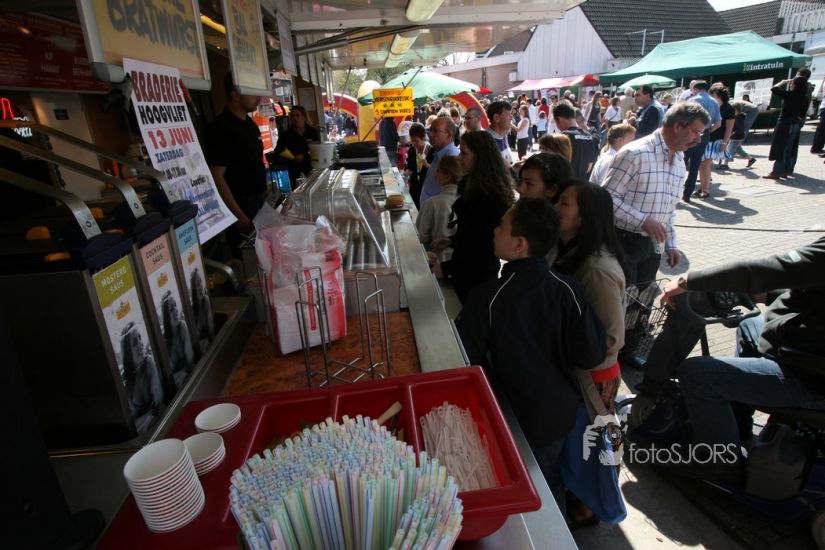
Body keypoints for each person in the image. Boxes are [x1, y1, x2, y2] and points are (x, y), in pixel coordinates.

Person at [456, 196, 606, 514]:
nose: (494, 231)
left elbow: (466, 360)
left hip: (512, 418)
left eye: (501, 226)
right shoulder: (568, 289)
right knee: (549, 482)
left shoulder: (487, 298)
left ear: (519, 244)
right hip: (559, 415)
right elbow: (591, 354)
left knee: (517, 485)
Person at [636, 237, 825, 480]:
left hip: (809, 378)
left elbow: (764, 270)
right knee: (750, 326)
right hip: (806, 352)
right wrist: (768, 295)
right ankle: (737, 422)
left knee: (695, 374)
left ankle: (721, 460)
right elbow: (812, 295)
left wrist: (688, 281)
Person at [550, 181, 627, 526]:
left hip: (592, 377)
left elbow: (611, 338)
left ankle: (589, 509)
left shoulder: (597, 269)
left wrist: (567, 352)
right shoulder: (568, 252)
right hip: (577, 371)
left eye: (564, 203)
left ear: (584, 218)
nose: (555, 207)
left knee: (591, 448)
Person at [603, 102, 709, 289]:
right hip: (623, 242)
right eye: (695, 132)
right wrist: (643, 220)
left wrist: (671, 244)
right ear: (678, 126)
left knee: (643, 301)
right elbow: (605, 199)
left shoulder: (679, 159)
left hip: (653, 247)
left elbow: (669, 208)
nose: (698, 140)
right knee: (622, 301)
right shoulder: (634, 153)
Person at [432, 131, 515, 303]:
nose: (459, 158)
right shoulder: (477, 185)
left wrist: (447, 268)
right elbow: (472, 233)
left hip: (476, 277)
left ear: (480, 157)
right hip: (471, 272)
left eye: (464, 153)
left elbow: (482, 248)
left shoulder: (487, 195)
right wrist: (452, 241)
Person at [206, 73, 266, 234]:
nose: (259, 98)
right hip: (241, 209)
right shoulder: (220, 128)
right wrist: (239, 216)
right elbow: (216, 176)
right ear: (235, 94)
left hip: (259, 203)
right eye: (252, 92)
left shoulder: (250, 124)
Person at [764, 76, 810, 179]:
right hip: (795, 123)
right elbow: (802, 114)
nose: (790, 85)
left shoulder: (790, 95)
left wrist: (783, 81)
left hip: (785, 123)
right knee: (789, 148)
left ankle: (777, 172)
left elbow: (774, 89)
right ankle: (785, 170)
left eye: (792, 83)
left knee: (781, 147)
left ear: (796, 85)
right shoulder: (805, 97)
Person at [682, 81, 721, 201]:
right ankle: (687, 194)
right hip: (705, 135)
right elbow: (718, 123)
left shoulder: (693, 100)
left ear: (695, 89)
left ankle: (675, 190)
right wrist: (707, 130)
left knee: (682, 162)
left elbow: (684, 119)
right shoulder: (714, 101)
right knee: (695, 165)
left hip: (690, 134)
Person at [416, 155, 461, 261]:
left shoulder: (432, 204)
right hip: (461, 263)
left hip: (437, 262)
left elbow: (420, 236)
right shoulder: (469, 202)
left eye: (438, 171)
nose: (435, 173)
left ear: (447, 176)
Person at [694, 83, 734, 199]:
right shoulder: (714, 105)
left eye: (712, 94)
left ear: (718, 95)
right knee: (702, 164)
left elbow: (729, 128)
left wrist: (724, 143)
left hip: (716, 140)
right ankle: (702, 188)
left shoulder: (728, 108)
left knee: (705, 164)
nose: (710, 96)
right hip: (707, 139)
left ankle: (705, 190)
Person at [271, 105, 320, 189]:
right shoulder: (286, 134)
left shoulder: (313, 132)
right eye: (292, 116)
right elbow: (278, 150)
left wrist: (304, 155)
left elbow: (319, 149)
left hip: (312, 168)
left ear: (304, 117)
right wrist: (291, 158)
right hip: (295, 170)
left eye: (297, 115)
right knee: (298, 192)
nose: (295, 118)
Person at [419, 117, 459, 205]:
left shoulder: (452, 157)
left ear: (448, 135)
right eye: (430, 130)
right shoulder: (437, 152)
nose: (430, 134)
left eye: (435, 131)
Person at [553, 101, 598, 180]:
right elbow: (589, 168)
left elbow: (555, 167)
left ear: (559, 119)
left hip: (564, 184)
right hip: (581, 184)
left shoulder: (562, 137)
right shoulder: (588, 136)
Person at [161, 290, 195, 389]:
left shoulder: (182, 326)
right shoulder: (163, 341)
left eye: (175, 305)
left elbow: (190, 361)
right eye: (171, 309)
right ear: (166, 315)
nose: (175, 310)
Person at [719, 102, 756, 170]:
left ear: (736, 109)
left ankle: (725, 164)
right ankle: (751, 159)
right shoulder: (737, 117)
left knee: (729, 150)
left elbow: (739, 129)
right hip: (738, 136)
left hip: (737, 137)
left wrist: (731, 134)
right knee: (738, 149)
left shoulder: (739, 117)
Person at [404, 122, 430, 208]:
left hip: (426, 189)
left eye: (416, 140)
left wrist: (427, 165)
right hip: (414, 188)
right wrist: (407, 171)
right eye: (412, 140)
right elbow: (408, 167)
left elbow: (435, 170)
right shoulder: (411, 151)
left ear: (423, 138)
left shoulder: (431, 151)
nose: (414, 143)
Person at [486, 100, 514, 165]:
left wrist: (514, 168)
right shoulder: (486, 141)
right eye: (508, 115)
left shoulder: (502, 136)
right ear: (496, 118)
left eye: (511, 114)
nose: (511, 118)